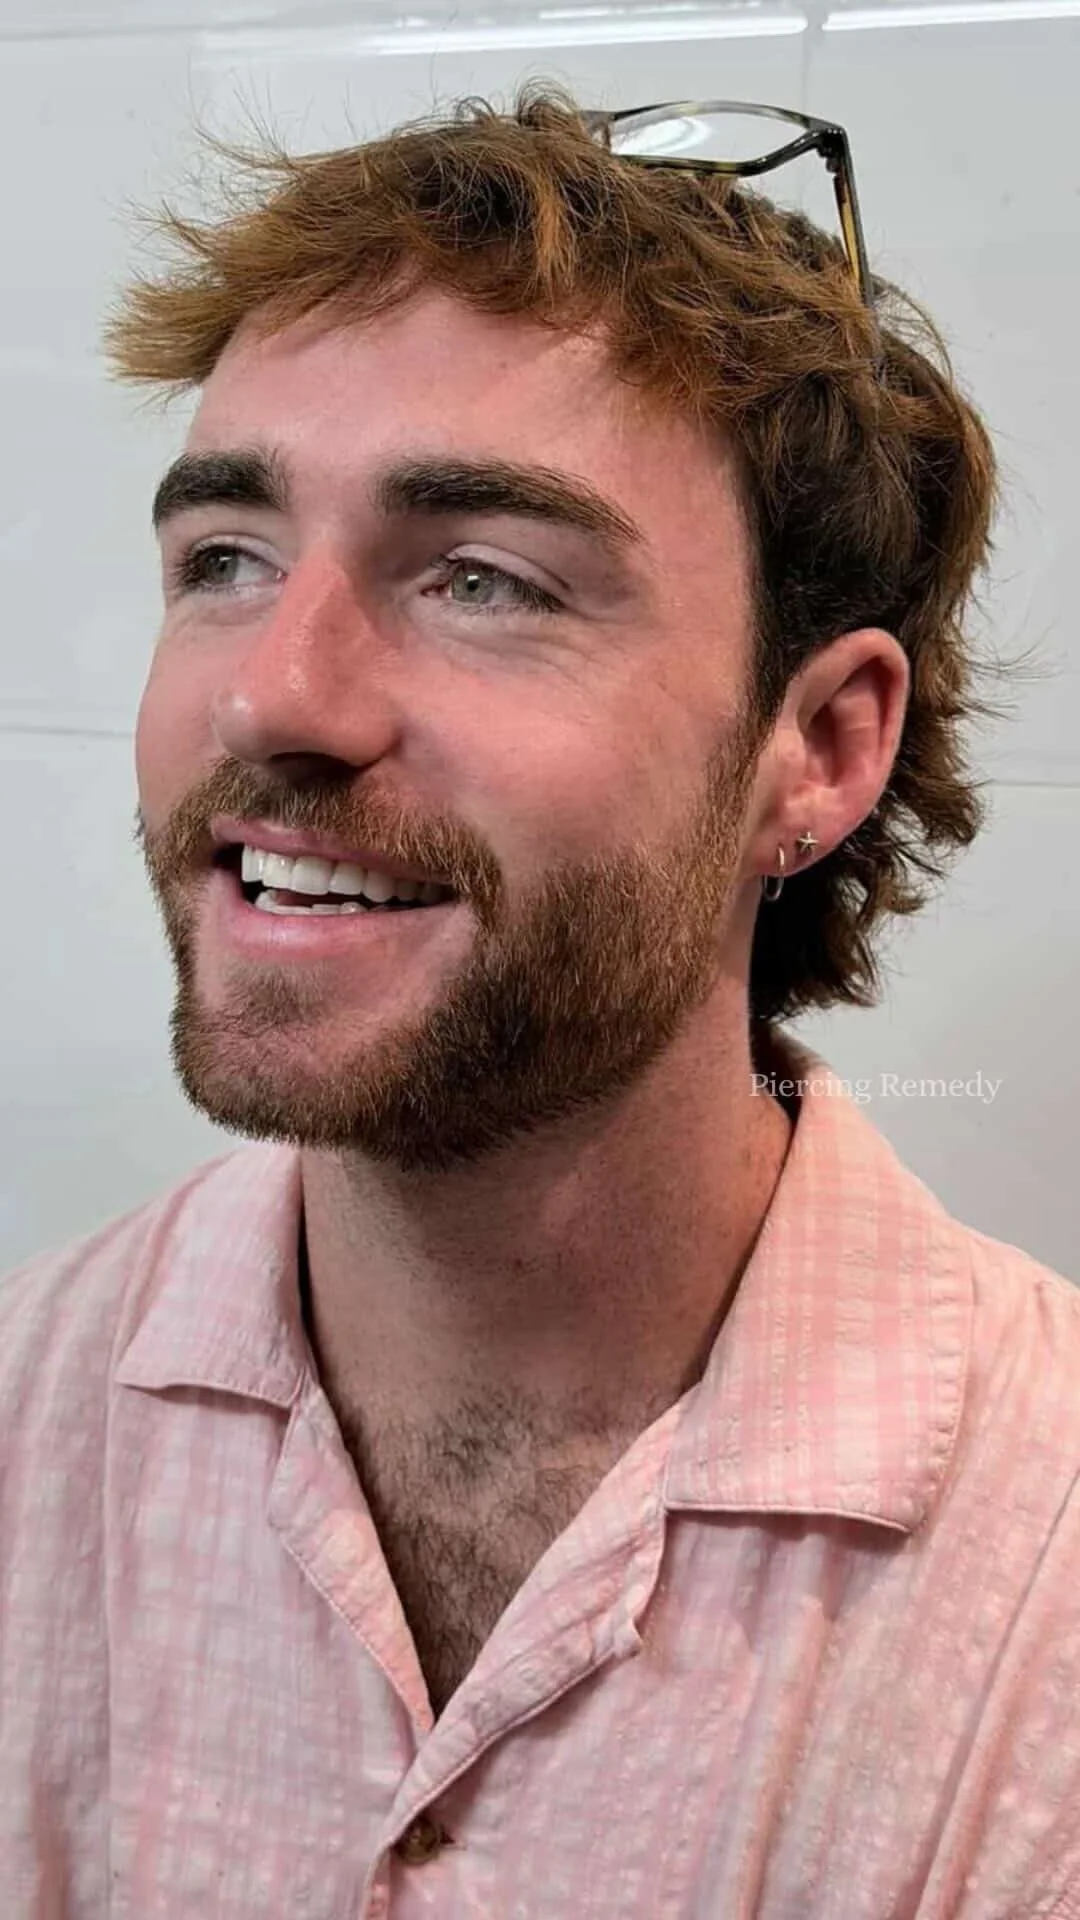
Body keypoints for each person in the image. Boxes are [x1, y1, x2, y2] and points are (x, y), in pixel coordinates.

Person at [1, 81, 1077, 1919]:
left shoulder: (1045, 1571)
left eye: (483, 579)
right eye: (228, 562)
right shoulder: (28, 1428)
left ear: (817, 749)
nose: (276, 697)